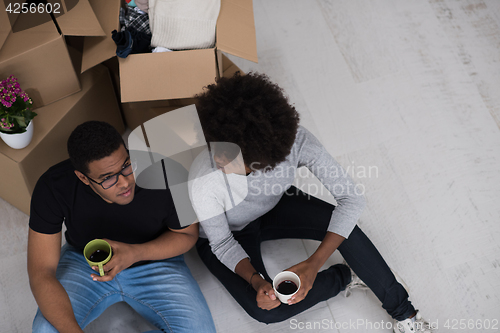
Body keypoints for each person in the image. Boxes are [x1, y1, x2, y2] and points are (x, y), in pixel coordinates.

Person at [188, 72, 434, 333]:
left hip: (273, 207)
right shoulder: (204, 180)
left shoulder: (295, 142)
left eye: (231, 157)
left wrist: (313, 263)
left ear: (263, 158)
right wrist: (256, 281)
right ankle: (345, 276)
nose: (218, 159)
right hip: (228, 235)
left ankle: (406, 315)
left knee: (345, 226)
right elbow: (222, 243)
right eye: (216, 147)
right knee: (268, 311)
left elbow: (351, 199)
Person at [28, 121, 216, 333]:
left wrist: (135, 253)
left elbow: (187, 233)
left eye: (126, 166)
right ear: (83, 178)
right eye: (108, 178)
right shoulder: (53, 186)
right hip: (84, 261)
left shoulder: (167, 171)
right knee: (45, 329)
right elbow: (41, 271)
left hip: (154, 258)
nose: (125, 182)